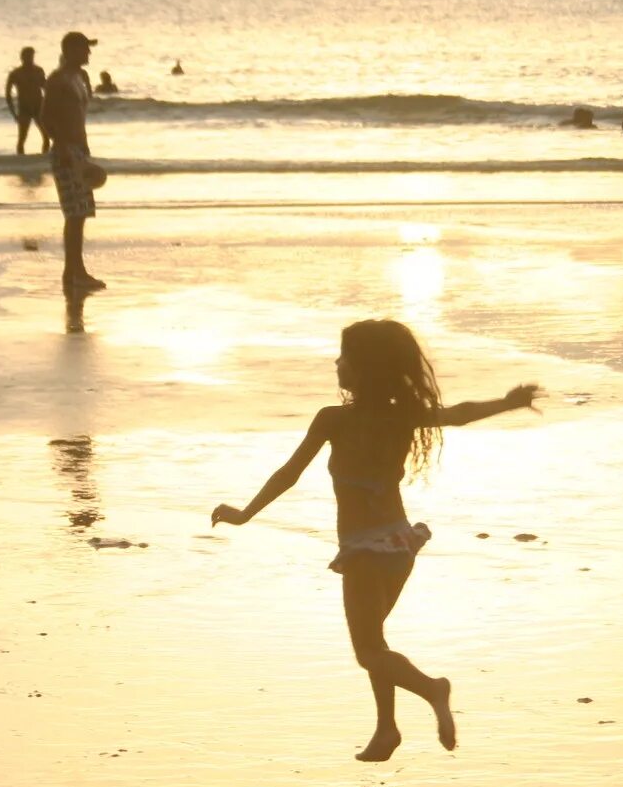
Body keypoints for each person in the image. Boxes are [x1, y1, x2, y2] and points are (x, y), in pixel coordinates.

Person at [209, 319, 541, 761]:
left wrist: (245, 515)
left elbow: (289, 474)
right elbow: (457, 414)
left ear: (363, 369)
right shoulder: (400, 414)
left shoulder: (333, 419)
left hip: (365, 550)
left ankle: (432, 689)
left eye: (344, 356)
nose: (336, 362)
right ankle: (386, 730)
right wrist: (508, 402)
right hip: (399, 546)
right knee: (377, 643)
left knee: (367, 652)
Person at [43, 32, 106, 293]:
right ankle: (74, 273)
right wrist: (63, 146)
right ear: (70, 50)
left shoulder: (80, 78)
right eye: (84, 49)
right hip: (66, 152)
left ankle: (74, 272)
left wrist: (83, 149)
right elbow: (45, 116)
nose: (88, 53)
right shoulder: (57, 80)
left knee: (81, 213)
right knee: (74, 213)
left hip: (79, 150)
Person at [5, 47, 48, 156]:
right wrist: (13, 113)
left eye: (31, 56)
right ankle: (21, 162)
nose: (30, 59)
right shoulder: (15, 73)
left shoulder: (39, 71)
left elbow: (46, 88)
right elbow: (8, 94)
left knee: (46, 136)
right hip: (24, 108)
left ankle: (44, 161)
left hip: (39, 106)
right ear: (22, 57)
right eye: (27, 56)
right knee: (22, 139)